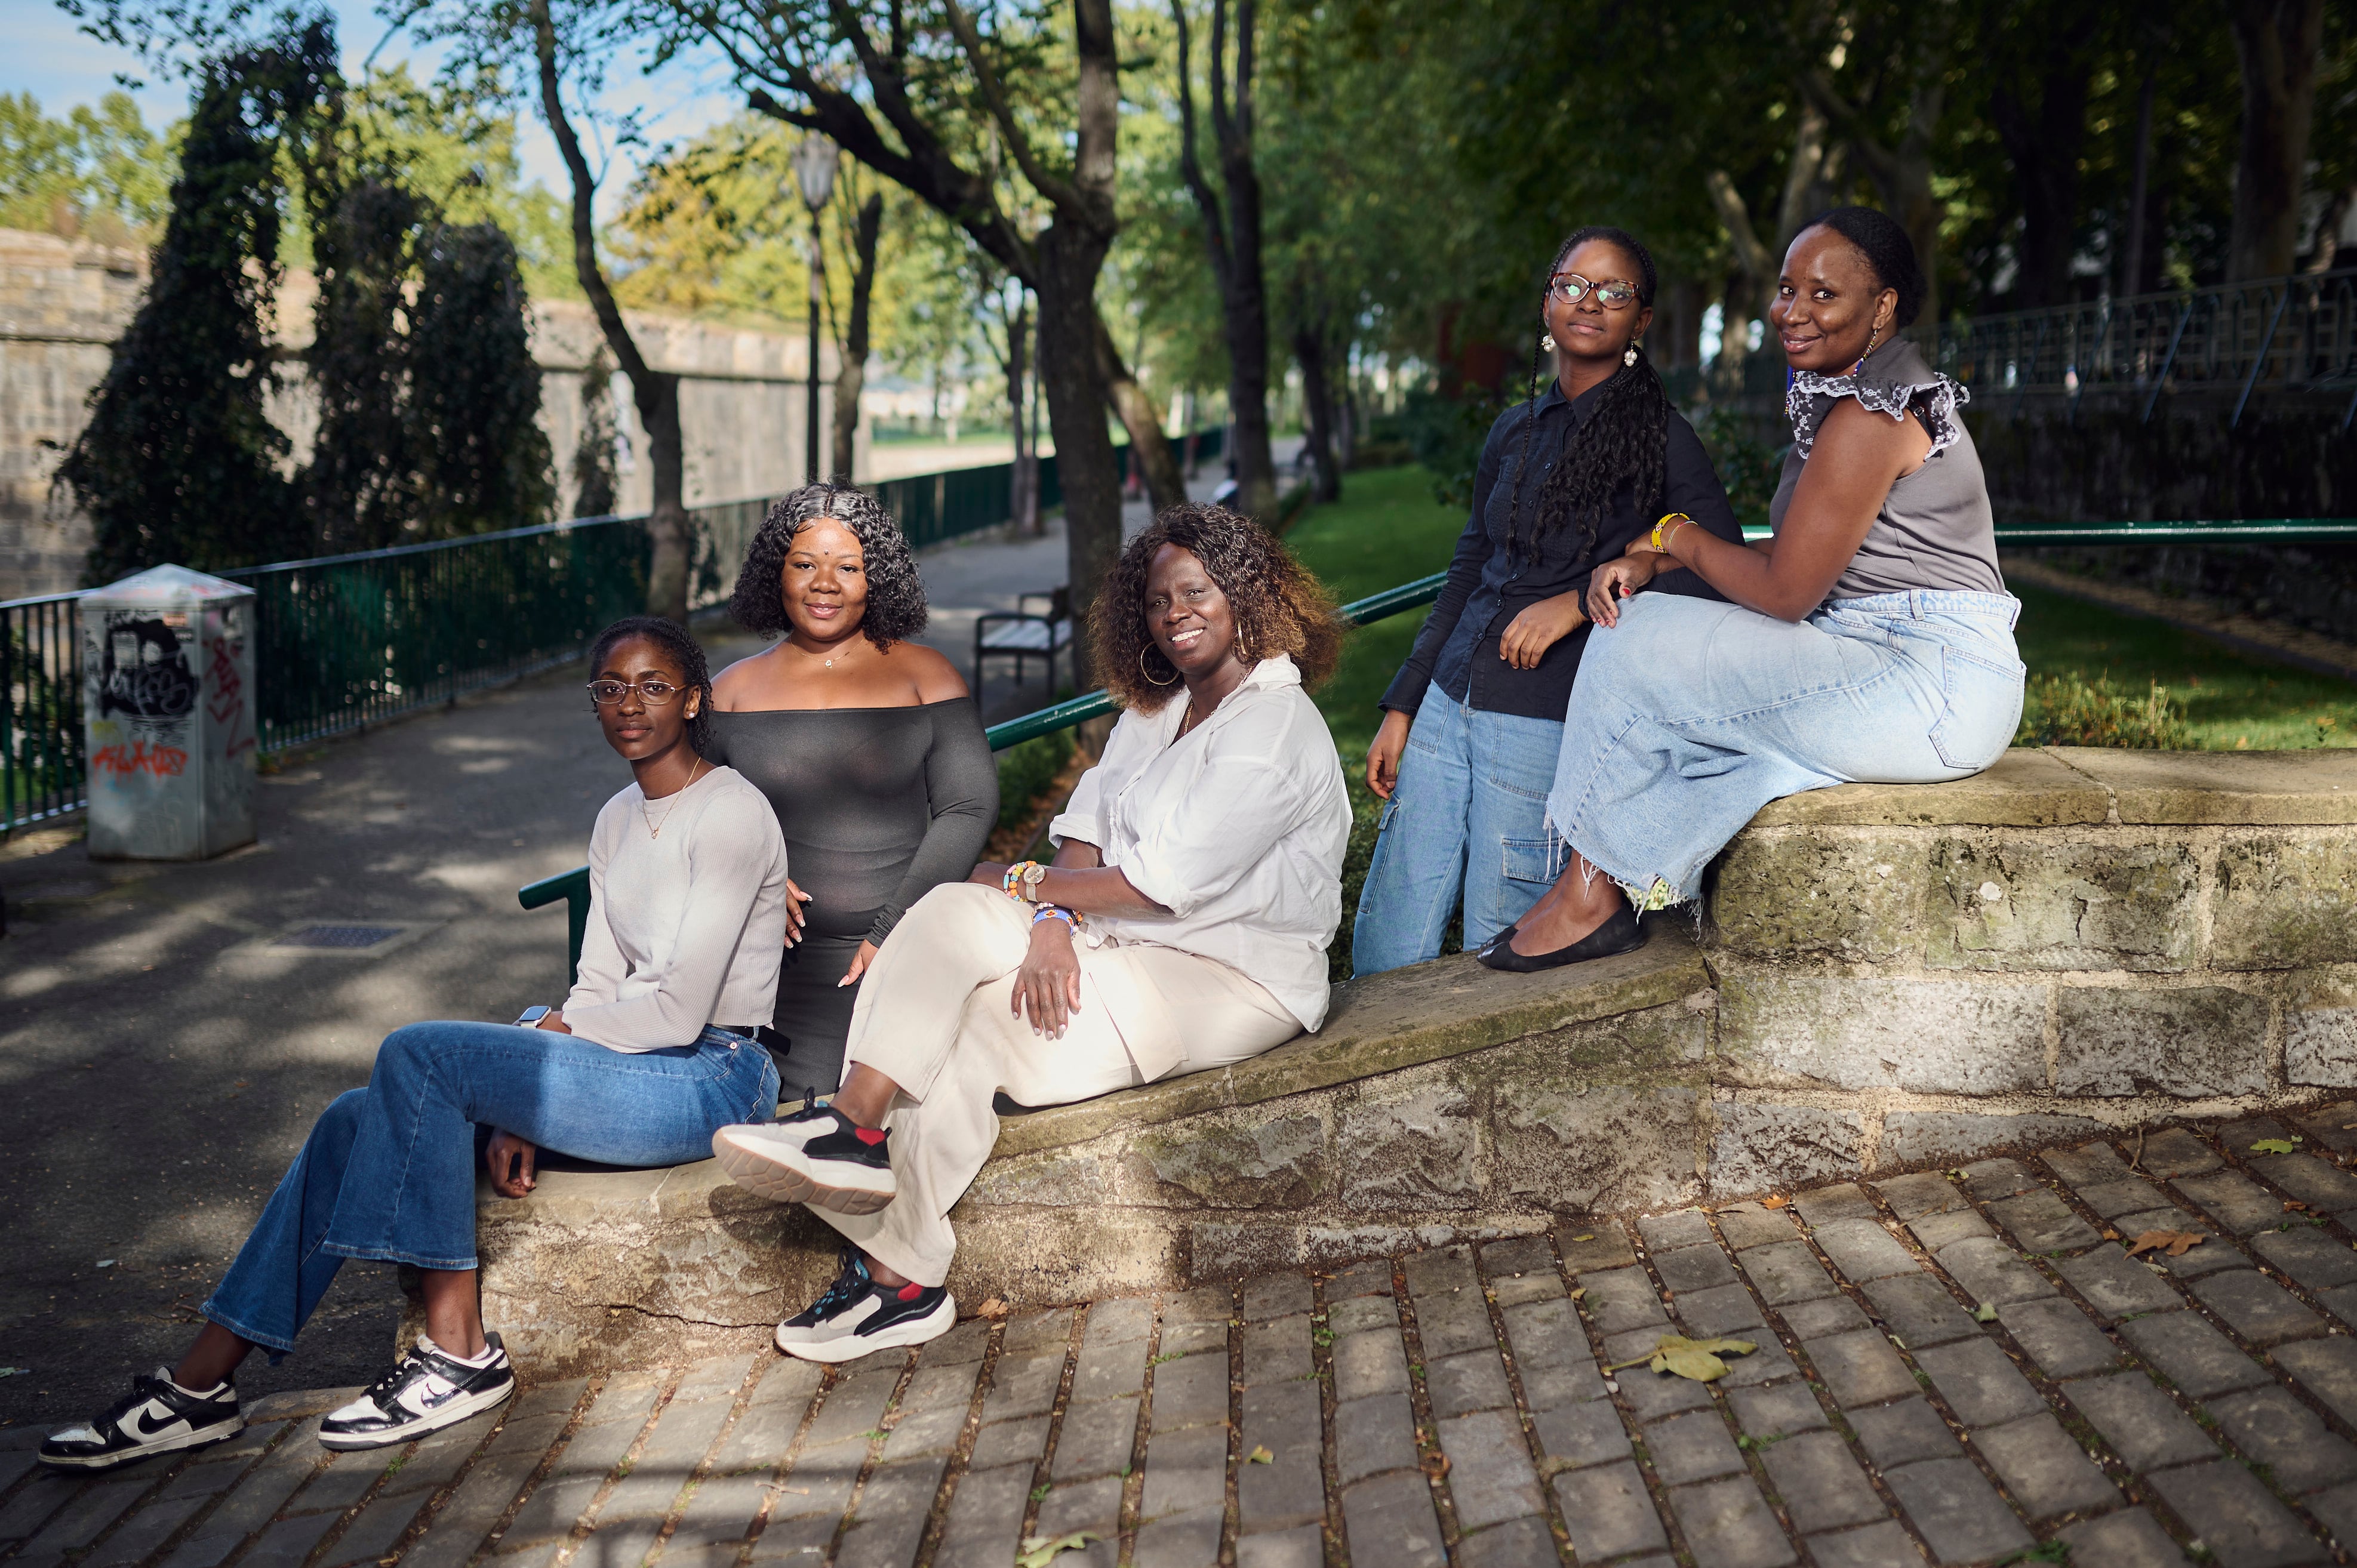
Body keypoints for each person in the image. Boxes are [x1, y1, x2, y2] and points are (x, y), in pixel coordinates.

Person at [42, 618, 790, 1471]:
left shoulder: (730, 811)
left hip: (714, 1075)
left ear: (692, 699)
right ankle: (198, 1388)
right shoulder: (618, 818)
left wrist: (537, 1062)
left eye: (654, 685)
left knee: (421, 1053)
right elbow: (593, 987)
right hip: (626, 1067)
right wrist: (530, 1102)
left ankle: (458, 1353)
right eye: (612, 687)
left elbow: (677, 1013)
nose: (631, 703)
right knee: (351, 1119)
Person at [707, 504, 1352, 1361]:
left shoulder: (1272, 724)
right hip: (1117, 937)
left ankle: (894, 1276)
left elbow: (1156, 886)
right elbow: (1084, 822)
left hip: (1231, 973)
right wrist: (1048, 915)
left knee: (975, 1027)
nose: (1175, 613)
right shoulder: (1163, 708)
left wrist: (1022, 883)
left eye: (1196, 591)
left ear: (1244, 594)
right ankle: (855, 1136)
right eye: (1158, 599)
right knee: (942, 914)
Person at [1485, 206, 2024, 972]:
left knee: (1629, 639)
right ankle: (1618, 882)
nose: (1793, 313)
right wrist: (1663, 567)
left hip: (1928, 682)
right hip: (1913, 670)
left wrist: (1671, 534)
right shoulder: (1870, 393)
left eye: (1824, 295)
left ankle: (1591, 889)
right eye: (1785, 289)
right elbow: (1813, 555)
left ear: (1885, 306)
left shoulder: (1871, 417)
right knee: (1714, 723)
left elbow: (1785, 594)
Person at [1352, 226, 1743, 976]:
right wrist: (1404, 704)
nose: (1589, 301)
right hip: (1447, 701)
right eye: (1572, 283)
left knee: (1506, 933)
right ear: (1548, 301)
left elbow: (1723, 571)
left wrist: (1581, 597)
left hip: (1543, 720)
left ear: (1642, 319)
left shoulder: (1663, 438)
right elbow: (1470, 567)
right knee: (1392, 925)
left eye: (1614, 291)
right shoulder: (1514, 430)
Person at [706, 485, 997, 1102]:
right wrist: (750, 868)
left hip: (907, 958)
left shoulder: (927, 675)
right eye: (805, 563)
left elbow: (968, 807)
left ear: (878, 579)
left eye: (848, 566)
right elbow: (691, 810)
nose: (825, 583)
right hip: (772, 973)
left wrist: (890, 930)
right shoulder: (728, 691)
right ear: (775, 574)